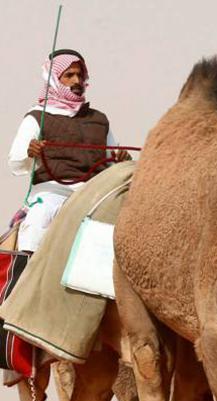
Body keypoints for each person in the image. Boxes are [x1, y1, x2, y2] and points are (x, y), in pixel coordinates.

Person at [7, 49, 128, 252]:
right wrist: (30, 152)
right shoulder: (38, 116)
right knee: (38, 221)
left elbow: (111, 162)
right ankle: (24, 273)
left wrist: (120, 159)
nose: (77, 80)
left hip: (93, 193)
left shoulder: (98, 119)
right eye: (69, 75)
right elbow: (15, 163)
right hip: (52, 191)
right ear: (54, 79)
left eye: (80, 75)